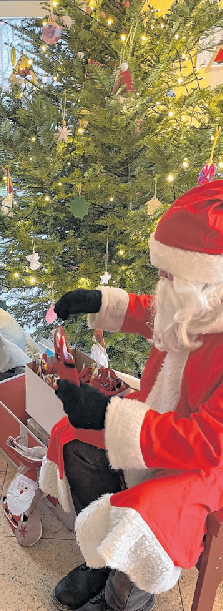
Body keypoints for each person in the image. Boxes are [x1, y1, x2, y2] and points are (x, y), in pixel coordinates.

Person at [39, 179, 223, 611]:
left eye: (172, 271)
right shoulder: (198, 300)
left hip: (204, 463)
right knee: (73, 439)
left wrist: (109, 415)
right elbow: (155, 310)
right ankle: (103, 558)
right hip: (157, 420)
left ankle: (124, 598)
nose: (161, 277)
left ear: (209, 276)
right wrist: (96, 301)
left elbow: (210, 441)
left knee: (148, 513)